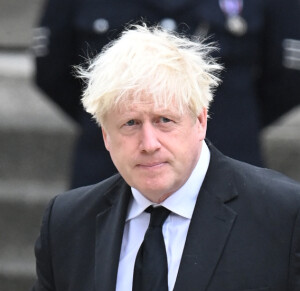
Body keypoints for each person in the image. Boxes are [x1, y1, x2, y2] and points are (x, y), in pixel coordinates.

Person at [30, 24, 300, 291]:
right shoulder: (66, 224)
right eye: (130, 123)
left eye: (165, 120)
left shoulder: (284, 215)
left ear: (200, 121)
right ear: (106, 136)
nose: (149, 144)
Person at [32, 0, 300, 187]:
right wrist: (118, 124)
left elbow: (288, 77)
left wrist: (203, 123)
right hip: (108, 174)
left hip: (228, 168)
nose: (153, 141)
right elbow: (53, 70)